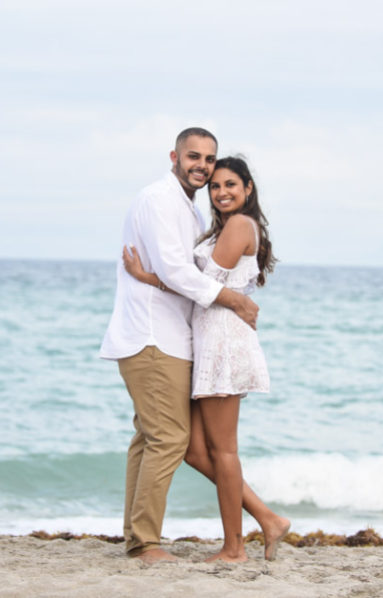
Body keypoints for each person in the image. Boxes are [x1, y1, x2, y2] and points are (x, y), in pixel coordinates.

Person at [99, 128, 260, 564]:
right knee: (169, 438)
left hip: (175, 337)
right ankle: (145, 543)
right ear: (174, 155)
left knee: (151, 438)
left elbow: (181, 273)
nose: (202, 166)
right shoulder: (158, 200)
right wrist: (233, 299)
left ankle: (138, 538)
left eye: (209, 160)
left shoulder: (188, 210)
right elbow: (178, 272)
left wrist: (158, 278)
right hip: (153, 336)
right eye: (194, 156)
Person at [122, 155, 290, 563]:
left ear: (248, 189)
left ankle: (234, 548)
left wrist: (148, 278)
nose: (221, 192)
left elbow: (204, 286)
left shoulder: (237, 225)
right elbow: (200, 285)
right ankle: (268, 519)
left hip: (223, 343)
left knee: (224, 450)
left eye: (231, 184)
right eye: (215, 186)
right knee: (195, 450)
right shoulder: (222, 228)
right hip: (209, 339)